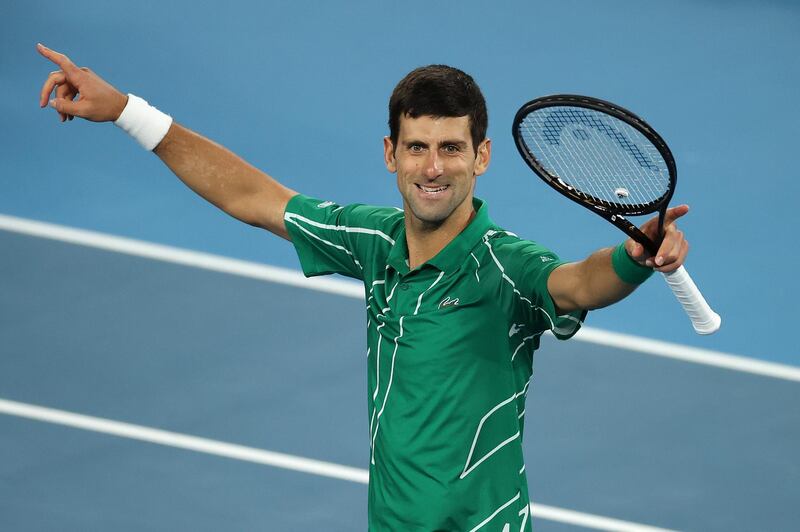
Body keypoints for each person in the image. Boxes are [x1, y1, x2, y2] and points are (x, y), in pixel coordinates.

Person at [37, 43, 689, 531]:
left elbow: (575, 285)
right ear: (390, 153)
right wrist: (127, 111)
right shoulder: (373, 242)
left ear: (481, 157)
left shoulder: (505, 266)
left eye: (452, 149)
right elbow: (253, 197)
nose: (433, 168)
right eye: (417, 147)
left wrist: (632, 261)